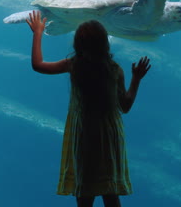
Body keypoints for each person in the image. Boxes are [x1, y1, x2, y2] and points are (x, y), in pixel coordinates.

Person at [26, 11, 151, 207]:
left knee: (84, 191)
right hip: (109, 136)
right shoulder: (114, 69)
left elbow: (38, 65)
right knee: (110, 191)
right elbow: (125, 106)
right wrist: (136, 79)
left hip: (84, 134)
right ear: (105, 44)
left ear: (78, 45)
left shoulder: (74, 65)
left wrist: (38, 33)